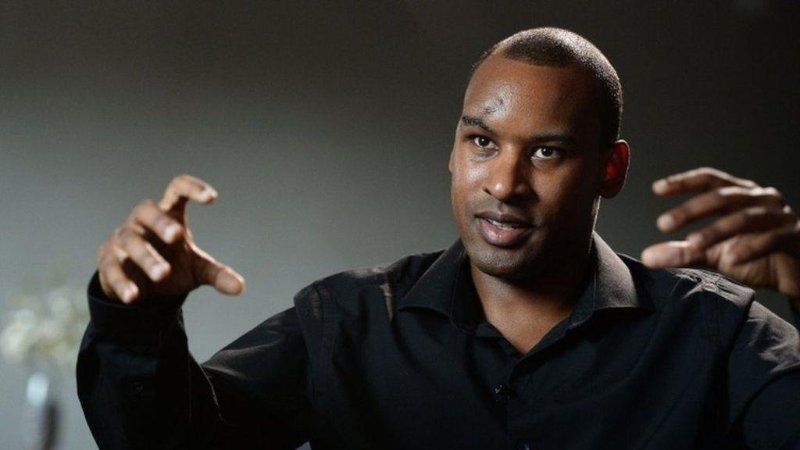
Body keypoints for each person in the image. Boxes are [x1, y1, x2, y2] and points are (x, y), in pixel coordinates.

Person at [77, 28, 800, 449]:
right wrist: (136, 316)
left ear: (609, 170)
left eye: (547, 152)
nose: (505, 183)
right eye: (483, 142)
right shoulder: (347, 324)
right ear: (454, 152)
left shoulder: (715, 337)